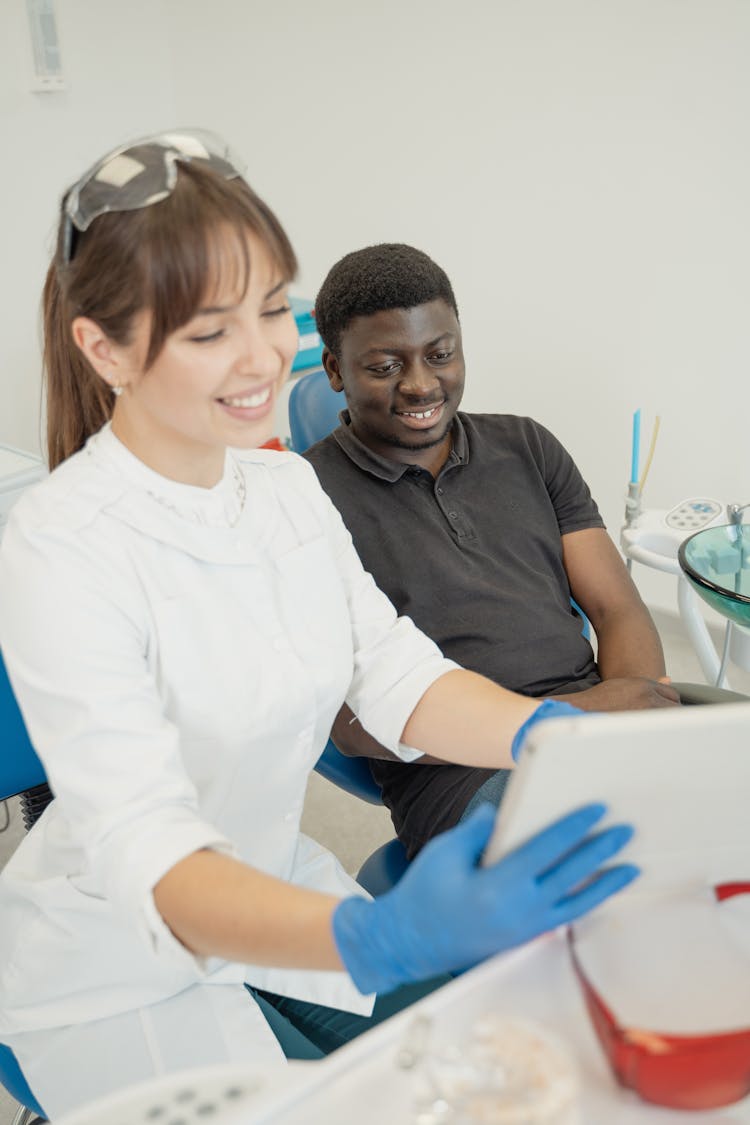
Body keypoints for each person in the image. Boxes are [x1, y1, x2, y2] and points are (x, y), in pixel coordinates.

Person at [0, 132, 638, 1119]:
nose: (263, 359)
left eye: (268, 308)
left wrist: (544, 736)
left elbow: (394, 675)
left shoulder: (283, 489)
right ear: (105, 347)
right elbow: (150, 850)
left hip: (286, 891)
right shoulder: (57, 545)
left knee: (500, 1078)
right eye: (211, 331)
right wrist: (376, 942)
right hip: (114, 960)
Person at [305, 243, 679, 859]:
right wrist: (577, 717)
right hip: (461, 776)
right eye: (385, 366)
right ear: (336, 370)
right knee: (643, 864)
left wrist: (630, 712)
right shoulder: (306, 500)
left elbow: (615, 607)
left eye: (440, 354)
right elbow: (353, 726)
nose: (421, 383)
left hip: (601, 721)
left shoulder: (527, 445)